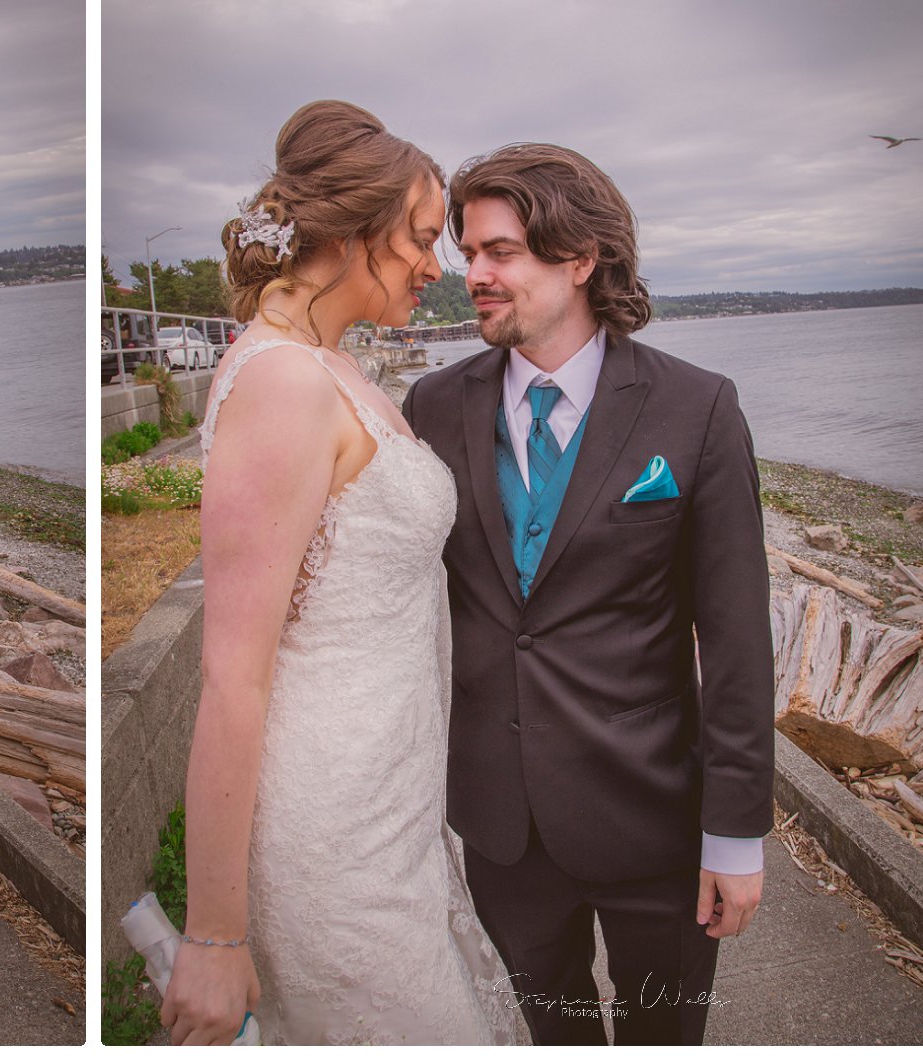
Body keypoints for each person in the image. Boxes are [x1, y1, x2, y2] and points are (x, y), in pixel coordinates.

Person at [160, 101, 520, 1046]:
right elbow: (232, 671)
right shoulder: (281, 383)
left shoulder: (334, 367)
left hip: (392, 803)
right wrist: (212, 929)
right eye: (419, 238)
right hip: (333, 835)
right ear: (355, 230)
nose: (435, 266)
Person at [402, 143, 774, 1044]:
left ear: (579, 257)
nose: (473, 275)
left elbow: (734, 640)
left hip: (654, 822)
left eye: (500, 251)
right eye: (467, 252)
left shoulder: (697, 409)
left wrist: (734, 836)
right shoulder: (429, 407)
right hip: (500, 826)